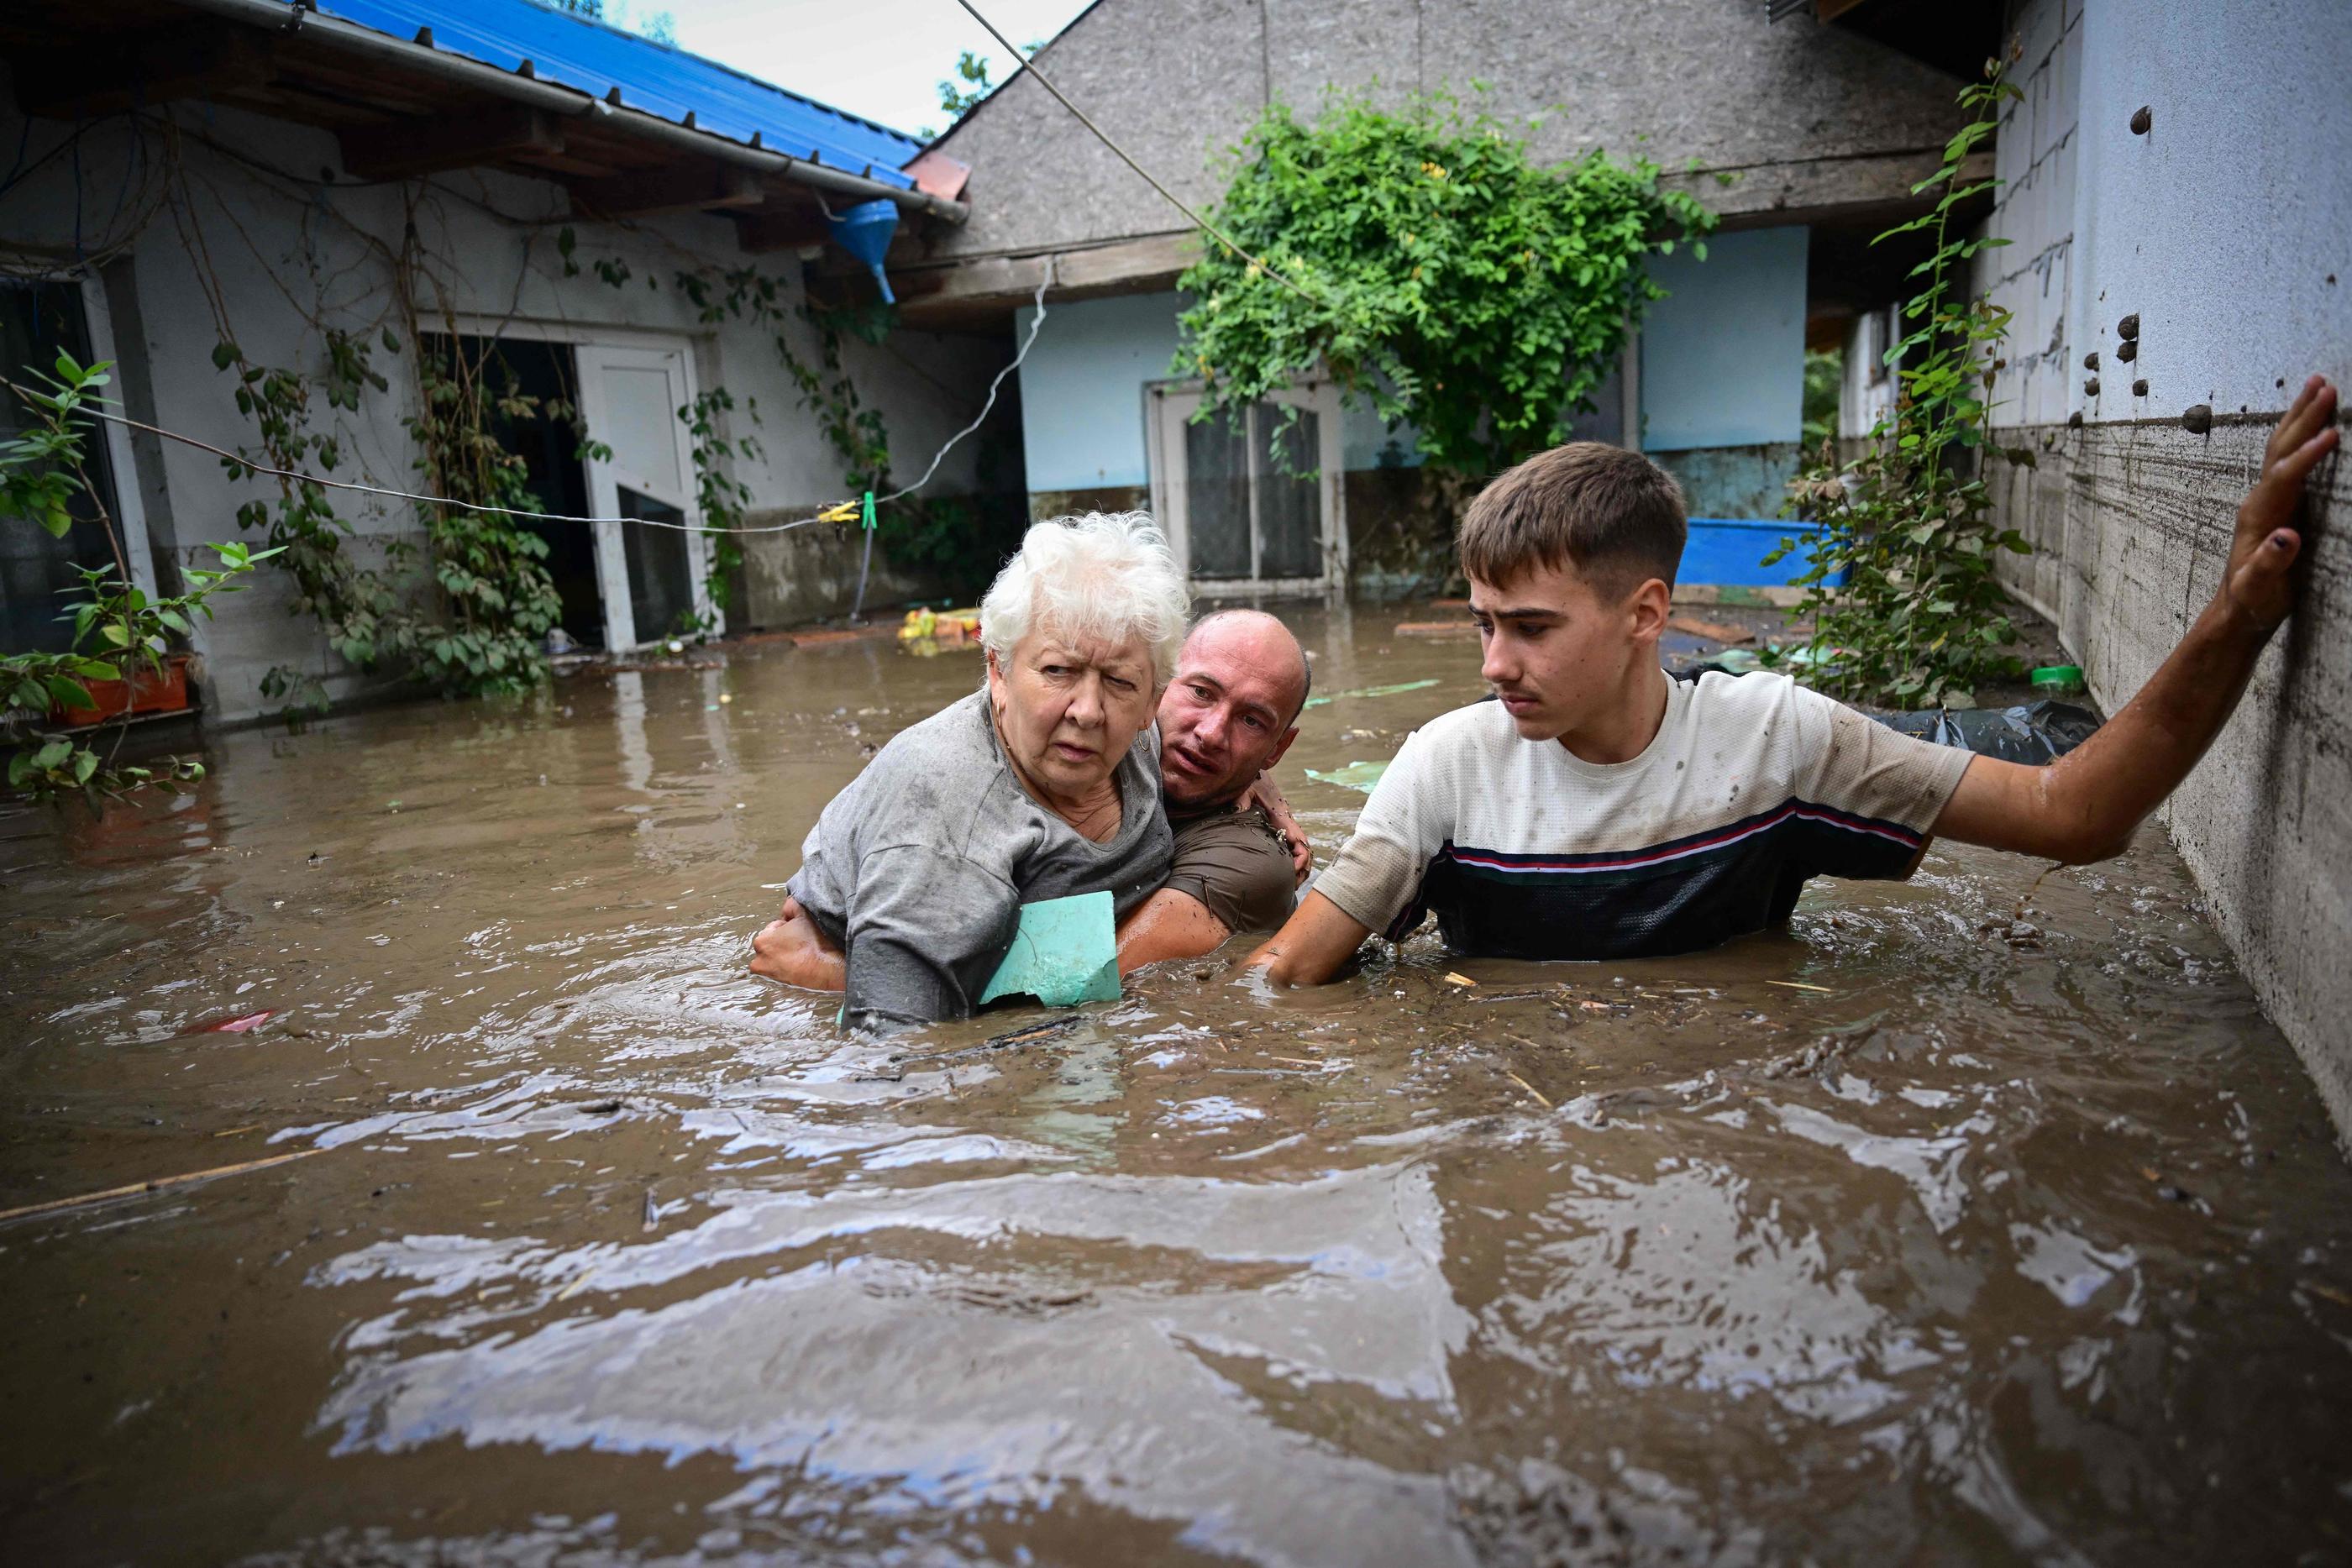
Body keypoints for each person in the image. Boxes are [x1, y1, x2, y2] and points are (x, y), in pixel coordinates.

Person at [1247, 376, 2341, 986]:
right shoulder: (1447, 765)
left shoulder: (1778, 739)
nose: (1493, 665)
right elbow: (1286, 981)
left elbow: (2078, 813)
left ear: (1647, 615)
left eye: (1529, 628)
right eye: (1484, 624)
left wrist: (2237, 615)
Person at [753, 607, 1313, 994]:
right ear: (1155, 686)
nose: (1212, 732)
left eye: (1251, 720)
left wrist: (832, 973)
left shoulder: (1251, 866)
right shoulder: (1109, 727)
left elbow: (1084, 974)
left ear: (1277, 747)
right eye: (1201, 692)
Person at [771, 511, 1189, 1030]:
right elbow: (892, 1043)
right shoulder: (947, 816)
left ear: (1153, 700)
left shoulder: (1145, 738)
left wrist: (1260, 790)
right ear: (998, 670)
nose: (1088, 710)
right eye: (1058, 671)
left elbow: (1224, 723)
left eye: (1120, 681)